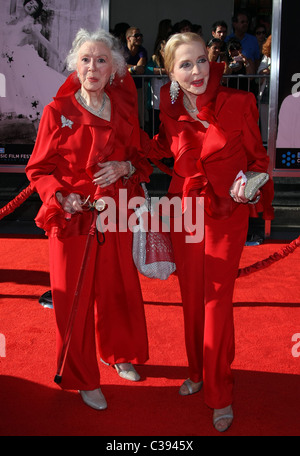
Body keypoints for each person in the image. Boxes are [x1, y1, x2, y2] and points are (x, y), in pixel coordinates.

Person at [143, 32, 273, 432]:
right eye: (185, 64)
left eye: (201, 60)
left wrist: (251, 181)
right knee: (192, 297)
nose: (197, 71)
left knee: (216, 301)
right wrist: (123, 156)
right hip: (185, 210)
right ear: (171, 71)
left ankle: (219, 392)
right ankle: (198, 370)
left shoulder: (239, 102)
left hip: (226, 213)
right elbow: (162, 147)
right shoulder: (168, 105)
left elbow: (259, 160)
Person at [25, 28, 153, 411]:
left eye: (101, 60)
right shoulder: (56, 112)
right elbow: (38, 169)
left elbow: (144, 160)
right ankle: (81, 376)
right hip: (71, 217)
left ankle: (119, 352)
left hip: (115, 212)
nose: (93, 67)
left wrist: (125, 165)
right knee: (73, 299)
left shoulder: (125, 108)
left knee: (117, 286)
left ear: (113, 67)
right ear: (74, 66)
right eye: (85, 60)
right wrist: (61, 195)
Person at [124, 26, 148, 124]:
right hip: (124, 88)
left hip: (138, 88)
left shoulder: (142, 50)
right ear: (128, 38)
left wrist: (129, 68)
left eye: (140, 35)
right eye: (136, 35)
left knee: (140, 115)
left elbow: (140, 68)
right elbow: (119, 65)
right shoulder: (122, 50)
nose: (139, 38)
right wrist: (133, 68)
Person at [145, 39, 168, 136]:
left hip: (169, 103)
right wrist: (164, 71)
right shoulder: (153, 61)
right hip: (155, 104)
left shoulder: (172, 61)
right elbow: (147, 70)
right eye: (165, 50)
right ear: (160, 51)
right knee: (155, 130)